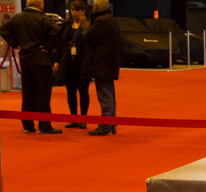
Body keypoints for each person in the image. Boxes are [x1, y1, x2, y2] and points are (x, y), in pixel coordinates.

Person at [0, 0, 63, 134]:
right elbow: (56, 31)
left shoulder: (18, 18)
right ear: (41, 5)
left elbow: (3, 29)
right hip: (41, 60)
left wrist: (15, 44)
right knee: (43, 95)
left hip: (25, 59)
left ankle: (27, 125)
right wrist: (47, 47)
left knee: (28, 95)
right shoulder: (43, 18)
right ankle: (44, 125)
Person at [81, 0, 119, 136]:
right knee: (109, 94)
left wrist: (85, 27)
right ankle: (111, 124)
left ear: (96, 7)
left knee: (104, 95)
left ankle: (106, 125)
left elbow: (88, 37)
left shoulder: (102, 21)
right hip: (109, 63)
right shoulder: (111, 20)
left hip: (102, 63)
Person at [54, 0, 90, 129]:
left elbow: (90, 43)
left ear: (83, 11)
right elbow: (60, 44)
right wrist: (57, 61)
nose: (74, 12)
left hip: (83, 64)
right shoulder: (66, 24)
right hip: (68, 63)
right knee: (71, 92)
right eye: (72, 10)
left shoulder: (88, 25)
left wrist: (86, 28)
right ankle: (73, 118)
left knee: (83, 92)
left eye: (77, 10)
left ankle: (83, 119)